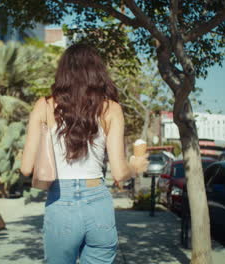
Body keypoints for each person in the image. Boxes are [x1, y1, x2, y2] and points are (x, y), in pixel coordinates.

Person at [20, 44, 149, 264]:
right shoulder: (111, 109)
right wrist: (135, 167)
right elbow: (119, 173)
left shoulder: (43, 106)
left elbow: (25, 169)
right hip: (98, 201)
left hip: (61, 201)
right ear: (97, 73)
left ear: (63, 72)